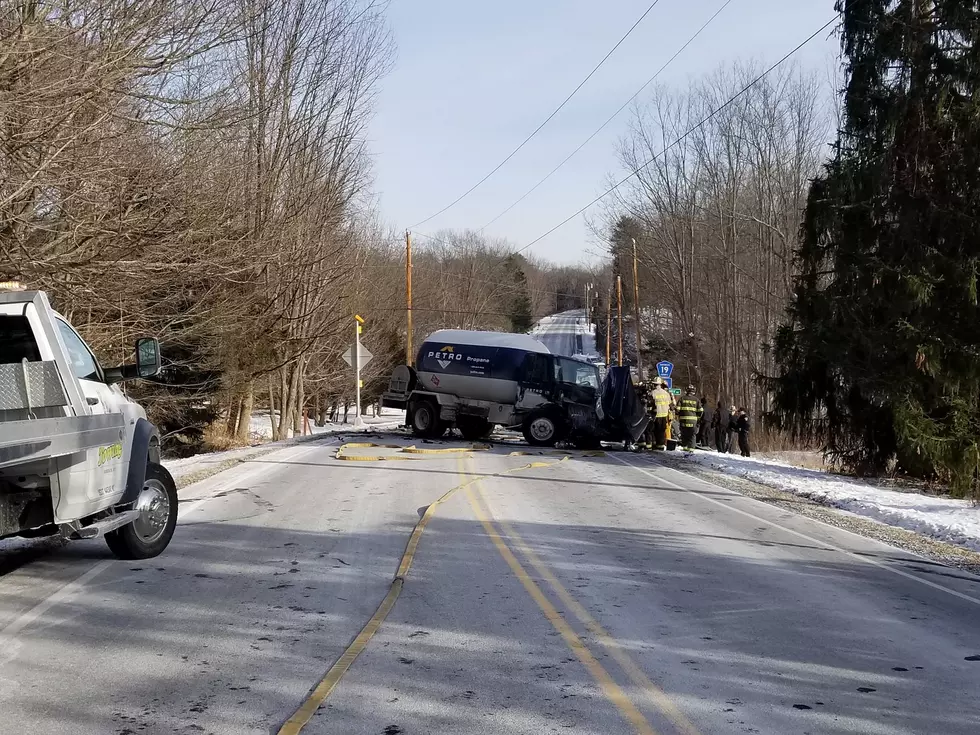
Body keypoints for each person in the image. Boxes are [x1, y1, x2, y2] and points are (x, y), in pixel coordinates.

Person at [677, 385, 703, 451]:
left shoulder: (682, 399)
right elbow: (700, 411)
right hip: (693, 421)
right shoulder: (696, 400)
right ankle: (691, 449)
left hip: (683, 420)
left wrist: (680, 415)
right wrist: (697, 418)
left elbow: (677, 409)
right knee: (692, 435)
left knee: (684, 434)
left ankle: (685, 447)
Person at [650, 380, 671, 450]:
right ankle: (661, 445)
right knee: (662, 431)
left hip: (657, 415)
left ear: (655, 385)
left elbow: (650, 403)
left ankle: (655, 444)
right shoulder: (666, 393)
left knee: (655, 430)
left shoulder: (653, 393)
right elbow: (669, 403)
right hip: (664, 415)